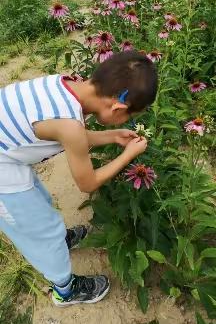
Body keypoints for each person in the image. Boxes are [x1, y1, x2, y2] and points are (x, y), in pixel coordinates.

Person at [0, 51, 157, 307]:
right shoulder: (69, 125)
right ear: (118, 107)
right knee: (36, 230)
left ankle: (59, 239)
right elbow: (88, 184)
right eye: (129, 116)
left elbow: (70, 134)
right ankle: (65, 289)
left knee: (38, 198)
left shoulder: (68, 84)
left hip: (7, 148)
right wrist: (127, 156)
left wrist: (112, 135)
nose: (128, 121)